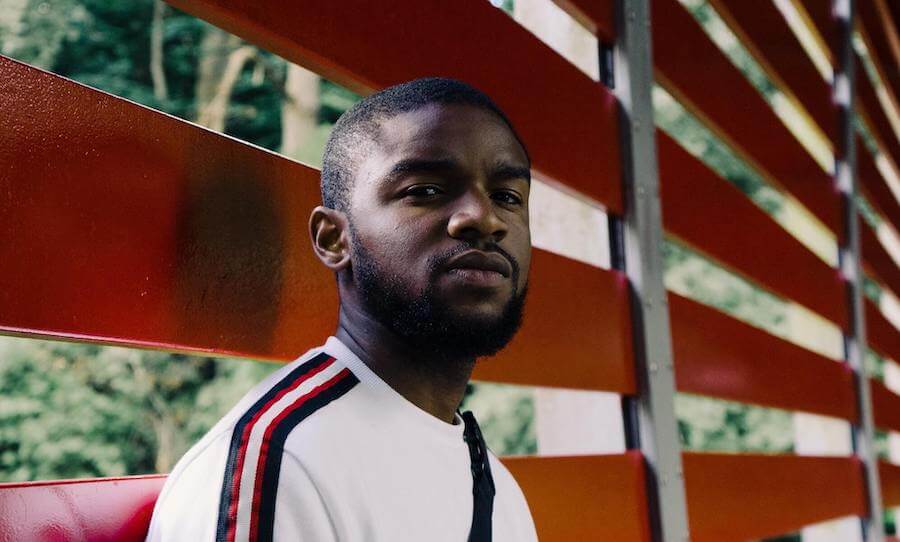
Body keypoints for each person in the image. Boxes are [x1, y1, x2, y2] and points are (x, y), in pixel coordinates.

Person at [146, 77, 538, 542]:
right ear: (334, 238)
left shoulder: (496, 485)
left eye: (508, 197)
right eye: (426, 190)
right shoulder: (283, 464)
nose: (484, 217)